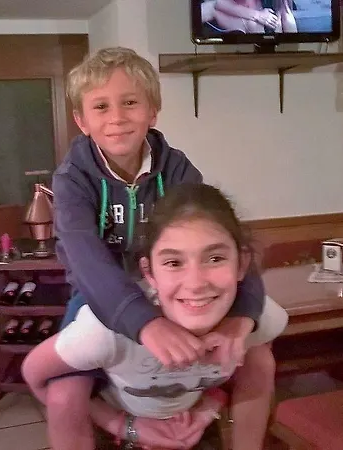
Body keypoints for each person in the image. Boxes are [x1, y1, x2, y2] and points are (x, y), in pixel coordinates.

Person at [27, 46, 280, 450]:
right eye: (101, 107)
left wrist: (243, 317)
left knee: (260, 359)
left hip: (169, 285)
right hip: (99, 295)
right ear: (81, 121)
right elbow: (86, 261)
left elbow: (223, 237)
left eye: (130, 102)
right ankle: (115, 421)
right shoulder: (72, 178)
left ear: (153, 111)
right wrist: (145, 322)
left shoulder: (177, 168)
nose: (116, 117)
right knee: (64, 396)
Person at [22, 183, 288, 449]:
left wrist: (210, 406)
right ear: (149, 273)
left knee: (261, 359)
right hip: (108, 430)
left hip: (192, 421)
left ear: (242, 264)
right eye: (174, 263)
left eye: (215, 258)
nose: (196, 283)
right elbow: (35, 373)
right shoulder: (104, 331)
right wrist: (122, 425)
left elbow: (254, 371)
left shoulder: (258, 320)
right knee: (64, 391)